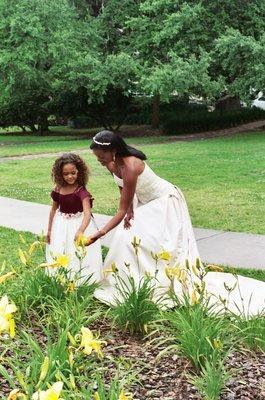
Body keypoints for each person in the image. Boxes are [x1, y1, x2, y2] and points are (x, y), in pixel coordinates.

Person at [88, 131, 265, 316]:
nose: (99, 160)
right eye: (97, 157)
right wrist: (131, 209)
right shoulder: (111, 164)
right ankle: (138, 280)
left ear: (114, 150)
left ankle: (161, 281)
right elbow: (123, 190)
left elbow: (121, 210)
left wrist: (100, 233)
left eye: (101, 156)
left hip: (164, 200)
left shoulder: (131, 166)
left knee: (139, 240)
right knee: (133, 239)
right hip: (145, 202)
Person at [46, 153, 102, 283]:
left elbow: (87, 214)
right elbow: (54, 209)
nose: (70, 176)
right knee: (61, 248)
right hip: (61, 224)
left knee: (77, 252)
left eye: (73, 173)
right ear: (60, 174)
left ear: (79, 172)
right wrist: (49, 230)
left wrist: (81, 230)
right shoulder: (58, 188)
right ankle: (61, 278)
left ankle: (81, 279)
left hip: (79, 224)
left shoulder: (81, 192)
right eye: (66, 174)